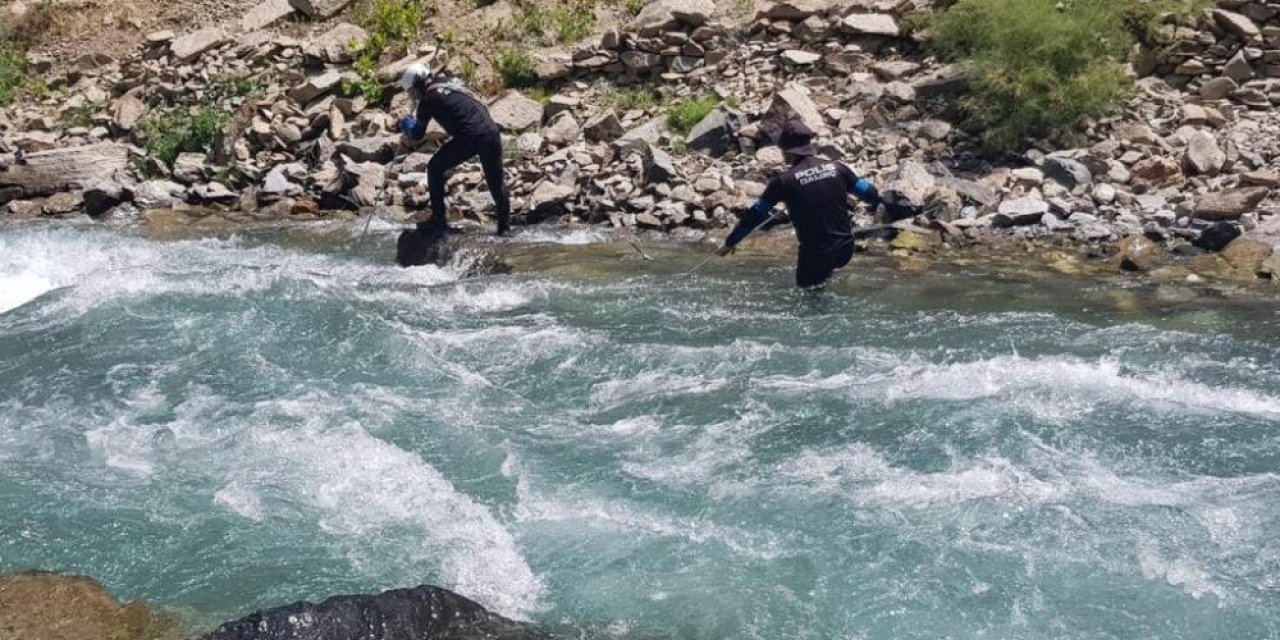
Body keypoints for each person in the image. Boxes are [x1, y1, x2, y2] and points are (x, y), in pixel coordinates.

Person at [716, 120, 920, 288]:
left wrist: (731, 242)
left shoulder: (783, 182)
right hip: (845, 250)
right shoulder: (838, 168)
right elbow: (869, 194)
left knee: (807, 300)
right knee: (826, 274)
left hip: (816, 256)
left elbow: (756, 214)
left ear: (786, 149)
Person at [398, 63, 511, 236]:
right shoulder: (449, 81)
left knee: (435, 168)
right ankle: (505, 229)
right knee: (496, 183)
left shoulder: (427, 100)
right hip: (491, 132)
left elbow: (417, 134)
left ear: (419, 85)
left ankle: (439, 220)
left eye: (413, 92)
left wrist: (407, 127)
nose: (414, 97)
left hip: (470, 137)